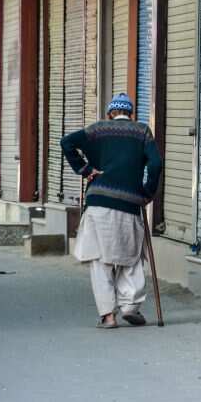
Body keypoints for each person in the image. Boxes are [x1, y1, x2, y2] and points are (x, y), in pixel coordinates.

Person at [61, 93, 163, 329]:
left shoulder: (97, 130)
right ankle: (130, 307)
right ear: (131, 114)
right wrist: (146, 193)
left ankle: (108, 315)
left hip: (98, 202)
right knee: (132, 257)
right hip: (129, 203)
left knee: (100, 260)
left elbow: (66, 142)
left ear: (110, 114)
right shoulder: (142, 131)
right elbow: (156, 164)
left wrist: (85, 170)